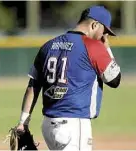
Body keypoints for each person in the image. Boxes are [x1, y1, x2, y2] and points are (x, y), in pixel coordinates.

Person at [15, 5, 121, 151]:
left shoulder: (48, 46)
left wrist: (23, 123)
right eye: (104, 31)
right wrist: (107, 48)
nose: (104, 36)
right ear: (94, 25)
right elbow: (115, 80)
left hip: (48, 125)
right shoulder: (92, 46)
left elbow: (32, 86)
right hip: (74, 124)